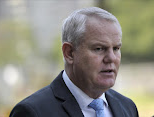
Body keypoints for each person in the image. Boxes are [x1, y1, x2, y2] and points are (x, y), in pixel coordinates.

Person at [10, 7, 139, 117]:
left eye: (116, 48)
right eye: (99, 49)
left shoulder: (127, 107)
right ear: (69, 53)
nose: (111, 58)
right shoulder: (32, 112)